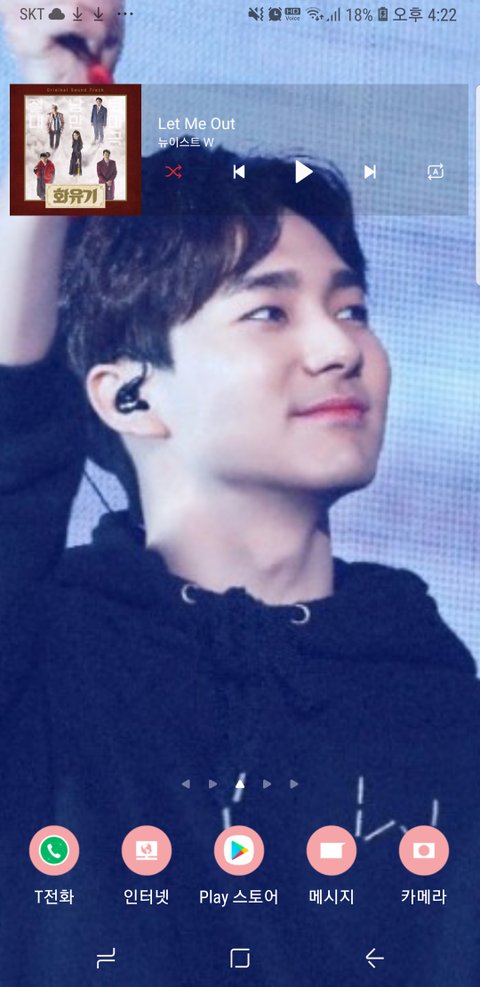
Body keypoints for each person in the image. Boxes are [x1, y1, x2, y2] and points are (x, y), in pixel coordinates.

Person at [1, 141, 479, 987]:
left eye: (353, 308)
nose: (339, 347)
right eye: (269, 311)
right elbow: (16, 426)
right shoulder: (47, 652)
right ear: (129, 394)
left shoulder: (432, 689)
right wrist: (70, 105)